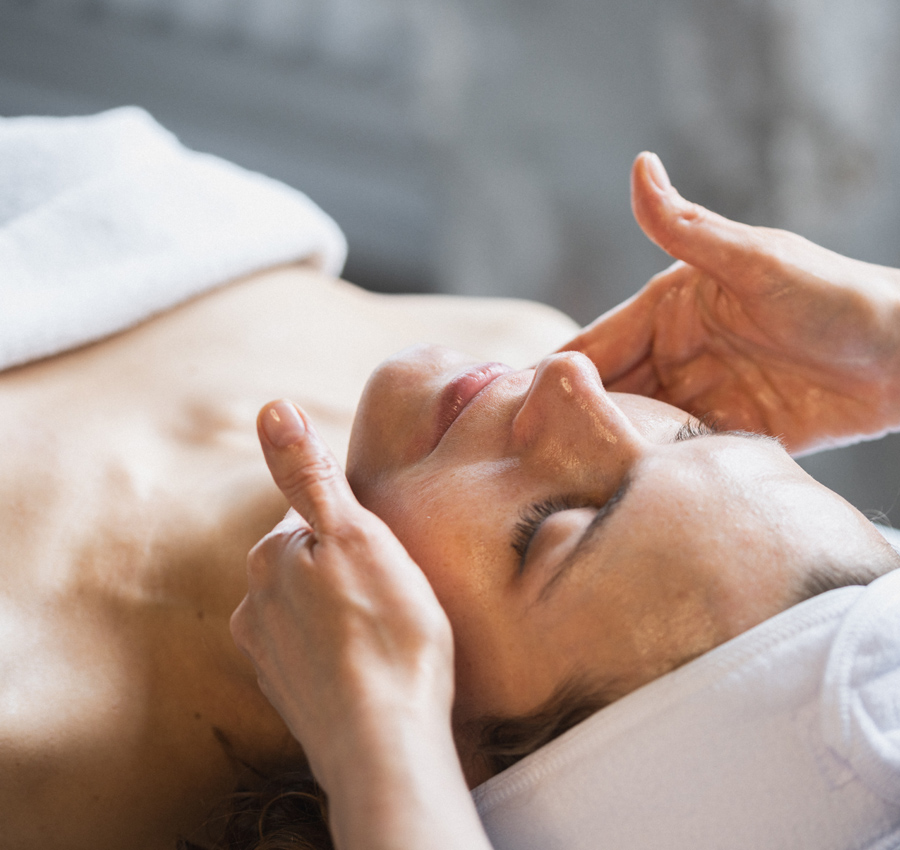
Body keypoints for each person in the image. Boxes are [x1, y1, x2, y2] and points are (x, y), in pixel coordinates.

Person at [230, 152, 900, 850]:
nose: (571, 377)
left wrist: (379, 730)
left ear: (448, 766)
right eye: (695, 433)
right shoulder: (514, 333)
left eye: (550, 527)